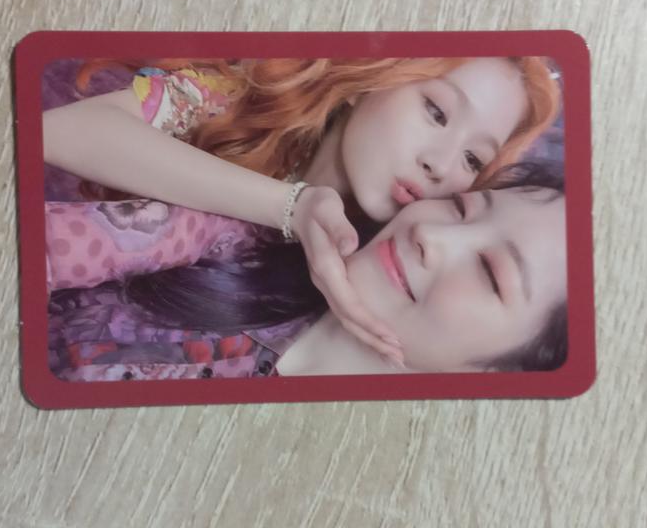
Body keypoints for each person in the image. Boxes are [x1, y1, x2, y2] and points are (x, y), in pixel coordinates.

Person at [42, 58, 561, 359]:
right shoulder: (239, 101)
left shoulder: (376, 274)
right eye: (436, 111)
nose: (441, 165)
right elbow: (56, 132)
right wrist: (288, 205)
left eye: (473, 159)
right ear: (371, 79)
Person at [45, 162, 568, 380]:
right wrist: (288, 204)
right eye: (461, 207)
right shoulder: (239, 244)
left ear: (507, 377)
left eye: (491, 273)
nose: (431, 235)